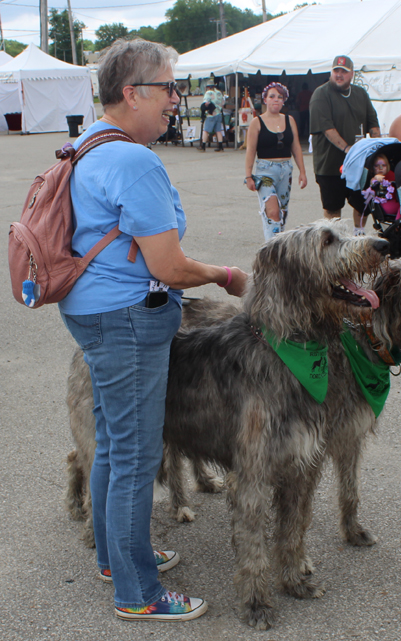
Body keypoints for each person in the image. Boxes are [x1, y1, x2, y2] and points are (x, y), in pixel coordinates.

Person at [58, 39, 247, 624]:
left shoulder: (89, 142)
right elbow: (168, 267)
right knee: (137, 456)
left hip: (93, 311)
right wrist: (225, 275)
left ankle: (119, 557)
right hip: (127, 319)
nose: (175, 99)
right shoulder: (134, 160)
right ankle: (137, 593)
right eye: (168, 88)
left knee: (115, 445)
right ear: (130, 93)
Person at [309, 55, 380, 235]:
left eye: (344, 72)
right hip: (330, 164)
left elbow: (373, 122)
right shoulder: (321, 94)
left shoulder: (360, 93)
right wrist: (349, 150)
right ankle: (335, 242)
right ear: (331, 72)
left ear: (352, 74)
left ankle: (359, 236)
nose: (339, 75)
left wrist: (377, 148)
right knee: (333, 209)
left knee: (363, 204)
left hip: (358, 164)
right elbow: (327, 128)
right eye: (336, 71)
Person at [245, 82, 307, 241]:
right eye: (272, 96)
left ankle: (277, 244)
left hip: (285, 169)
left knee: (282, 212)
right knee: (272, 211)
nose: (276, 100)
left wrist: (302, 171)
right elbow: (251, 150)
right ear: (265, 99)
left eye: (280, 97)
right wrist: (248, 176)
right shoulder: (256, 122)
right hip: (265, 170)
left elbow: (296, 146)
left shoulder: (289, 120)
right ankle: (271, 249)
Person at [361, 153, 399, 218]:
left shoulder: (392, 175)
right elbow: (372, 183)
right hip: (383, 205)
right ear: (372, 168)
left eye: (383, 165)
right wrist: (376, 179)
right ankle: (399, 223)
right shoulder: (374, 178)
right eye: (376, 165)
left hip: (394, 201)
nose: (380, 168)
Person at [199, 81, 225, 152]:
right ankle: (220, 146)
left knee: (206, 130)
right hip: (219, 113)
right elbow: (223, 103)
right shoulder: (219, 93)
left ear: (208, 87)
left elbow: (206, 103)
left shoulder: (208, 93)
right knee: (218, 130)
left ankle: (203, 145)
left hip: (211, 114)